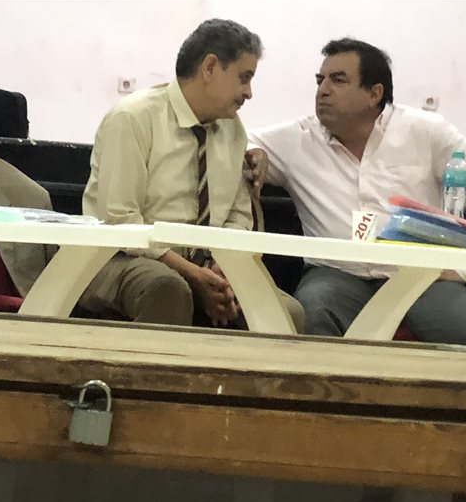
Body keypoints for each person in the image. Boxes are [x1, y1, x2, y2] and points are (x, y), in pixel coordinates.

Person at [246, 38, 466, 346]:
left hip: (418, 274)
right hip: (336, 273)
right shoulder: (299, 138)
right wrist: (255, 153)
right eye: (320, 80)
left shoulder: (424, 131)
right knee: (314, 316)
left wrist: (462, 267)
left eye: (338, 80)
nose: (323, 90)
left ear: (374, 93)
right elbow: (237, 141)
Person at [79, 18, 302, 329]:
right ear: (210, 67)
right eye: (244, 78)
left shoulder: (232, 129)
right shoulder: (133, 117)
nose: (249, 93)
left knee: (288, 313)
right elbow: (121, 220)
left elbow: (238, 216)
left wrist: (220, 270)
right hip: (122, 256)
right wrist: (193, 274)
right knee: (168, 290)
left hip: (203, 264)